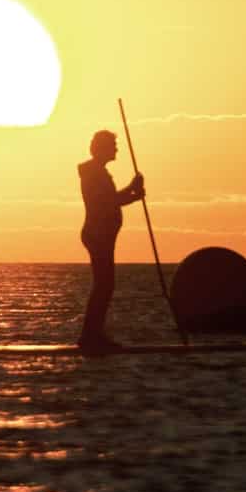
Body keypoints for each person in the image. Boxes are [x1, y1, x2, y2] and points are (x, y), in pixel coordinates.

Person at [78, 129, 144, 353]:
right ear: (103, 148)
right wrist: (133, 192)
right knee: (104, 285)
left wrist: (133, 192)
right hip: (98, 234)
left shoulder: (98, 173)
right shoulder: (94, 173)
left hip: (102, 234)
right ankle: (91, 335)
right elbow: (107, 202)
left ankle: (93, 334)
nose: (116, 149)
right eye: (113, 146)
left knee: (104, 285)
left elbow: (110, 200)